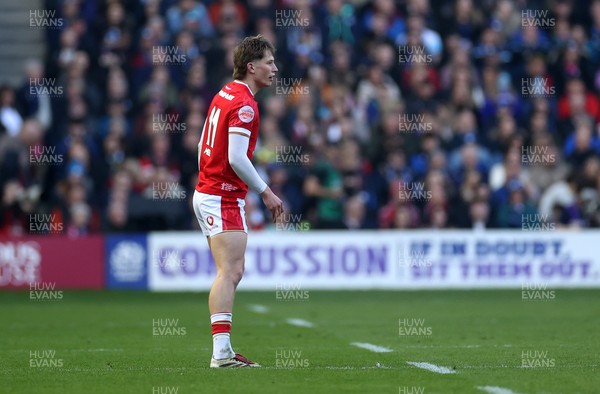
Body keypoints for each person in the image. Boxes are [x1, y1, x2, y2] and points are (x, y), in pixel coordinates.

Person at [192, 35, 283, 368]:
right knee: (229, 272)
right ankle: (221, 354)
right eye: (269, 62)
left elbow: (204, 140)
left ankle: (224, 351)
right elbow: (236, 158)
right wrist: (266, 191)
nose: (274, 69)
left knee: (232, 270)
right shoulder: (245, 103)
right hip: (221, 195)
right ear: (251, 66)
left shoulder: (223, 93)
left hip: (211, 191)